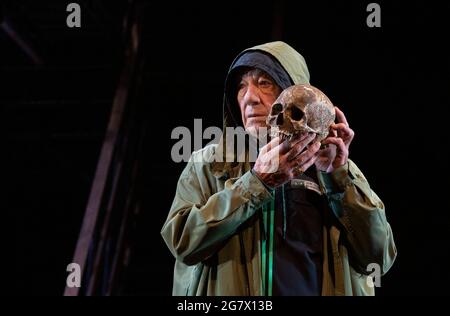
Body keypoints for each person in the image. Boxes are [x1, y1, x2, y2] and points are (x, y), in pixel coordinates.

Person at [161, 41, 397, 296]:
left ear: (295, 94)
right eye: (241, 86)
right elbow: (182, 243)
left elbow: (378, 258)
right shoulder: (208, 164)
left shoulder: (334, 166)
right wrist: (256, 183)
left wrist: (338, 178)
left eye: (264, 83)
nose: (249, 97)